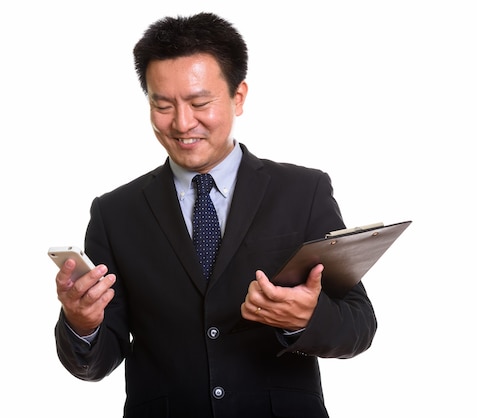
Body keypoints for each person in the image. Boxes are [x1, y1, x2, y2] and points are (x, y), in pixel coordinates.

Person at [54, 11, 377, 418]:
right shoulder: (115, 213)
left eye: (199, 102)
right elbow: (96, 362)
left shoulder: (303, 192)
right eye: (163, 104)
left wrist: (304, 319)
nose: (182, 123)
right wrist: (81, 323)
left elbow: (359, 325)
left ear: (238, 96)